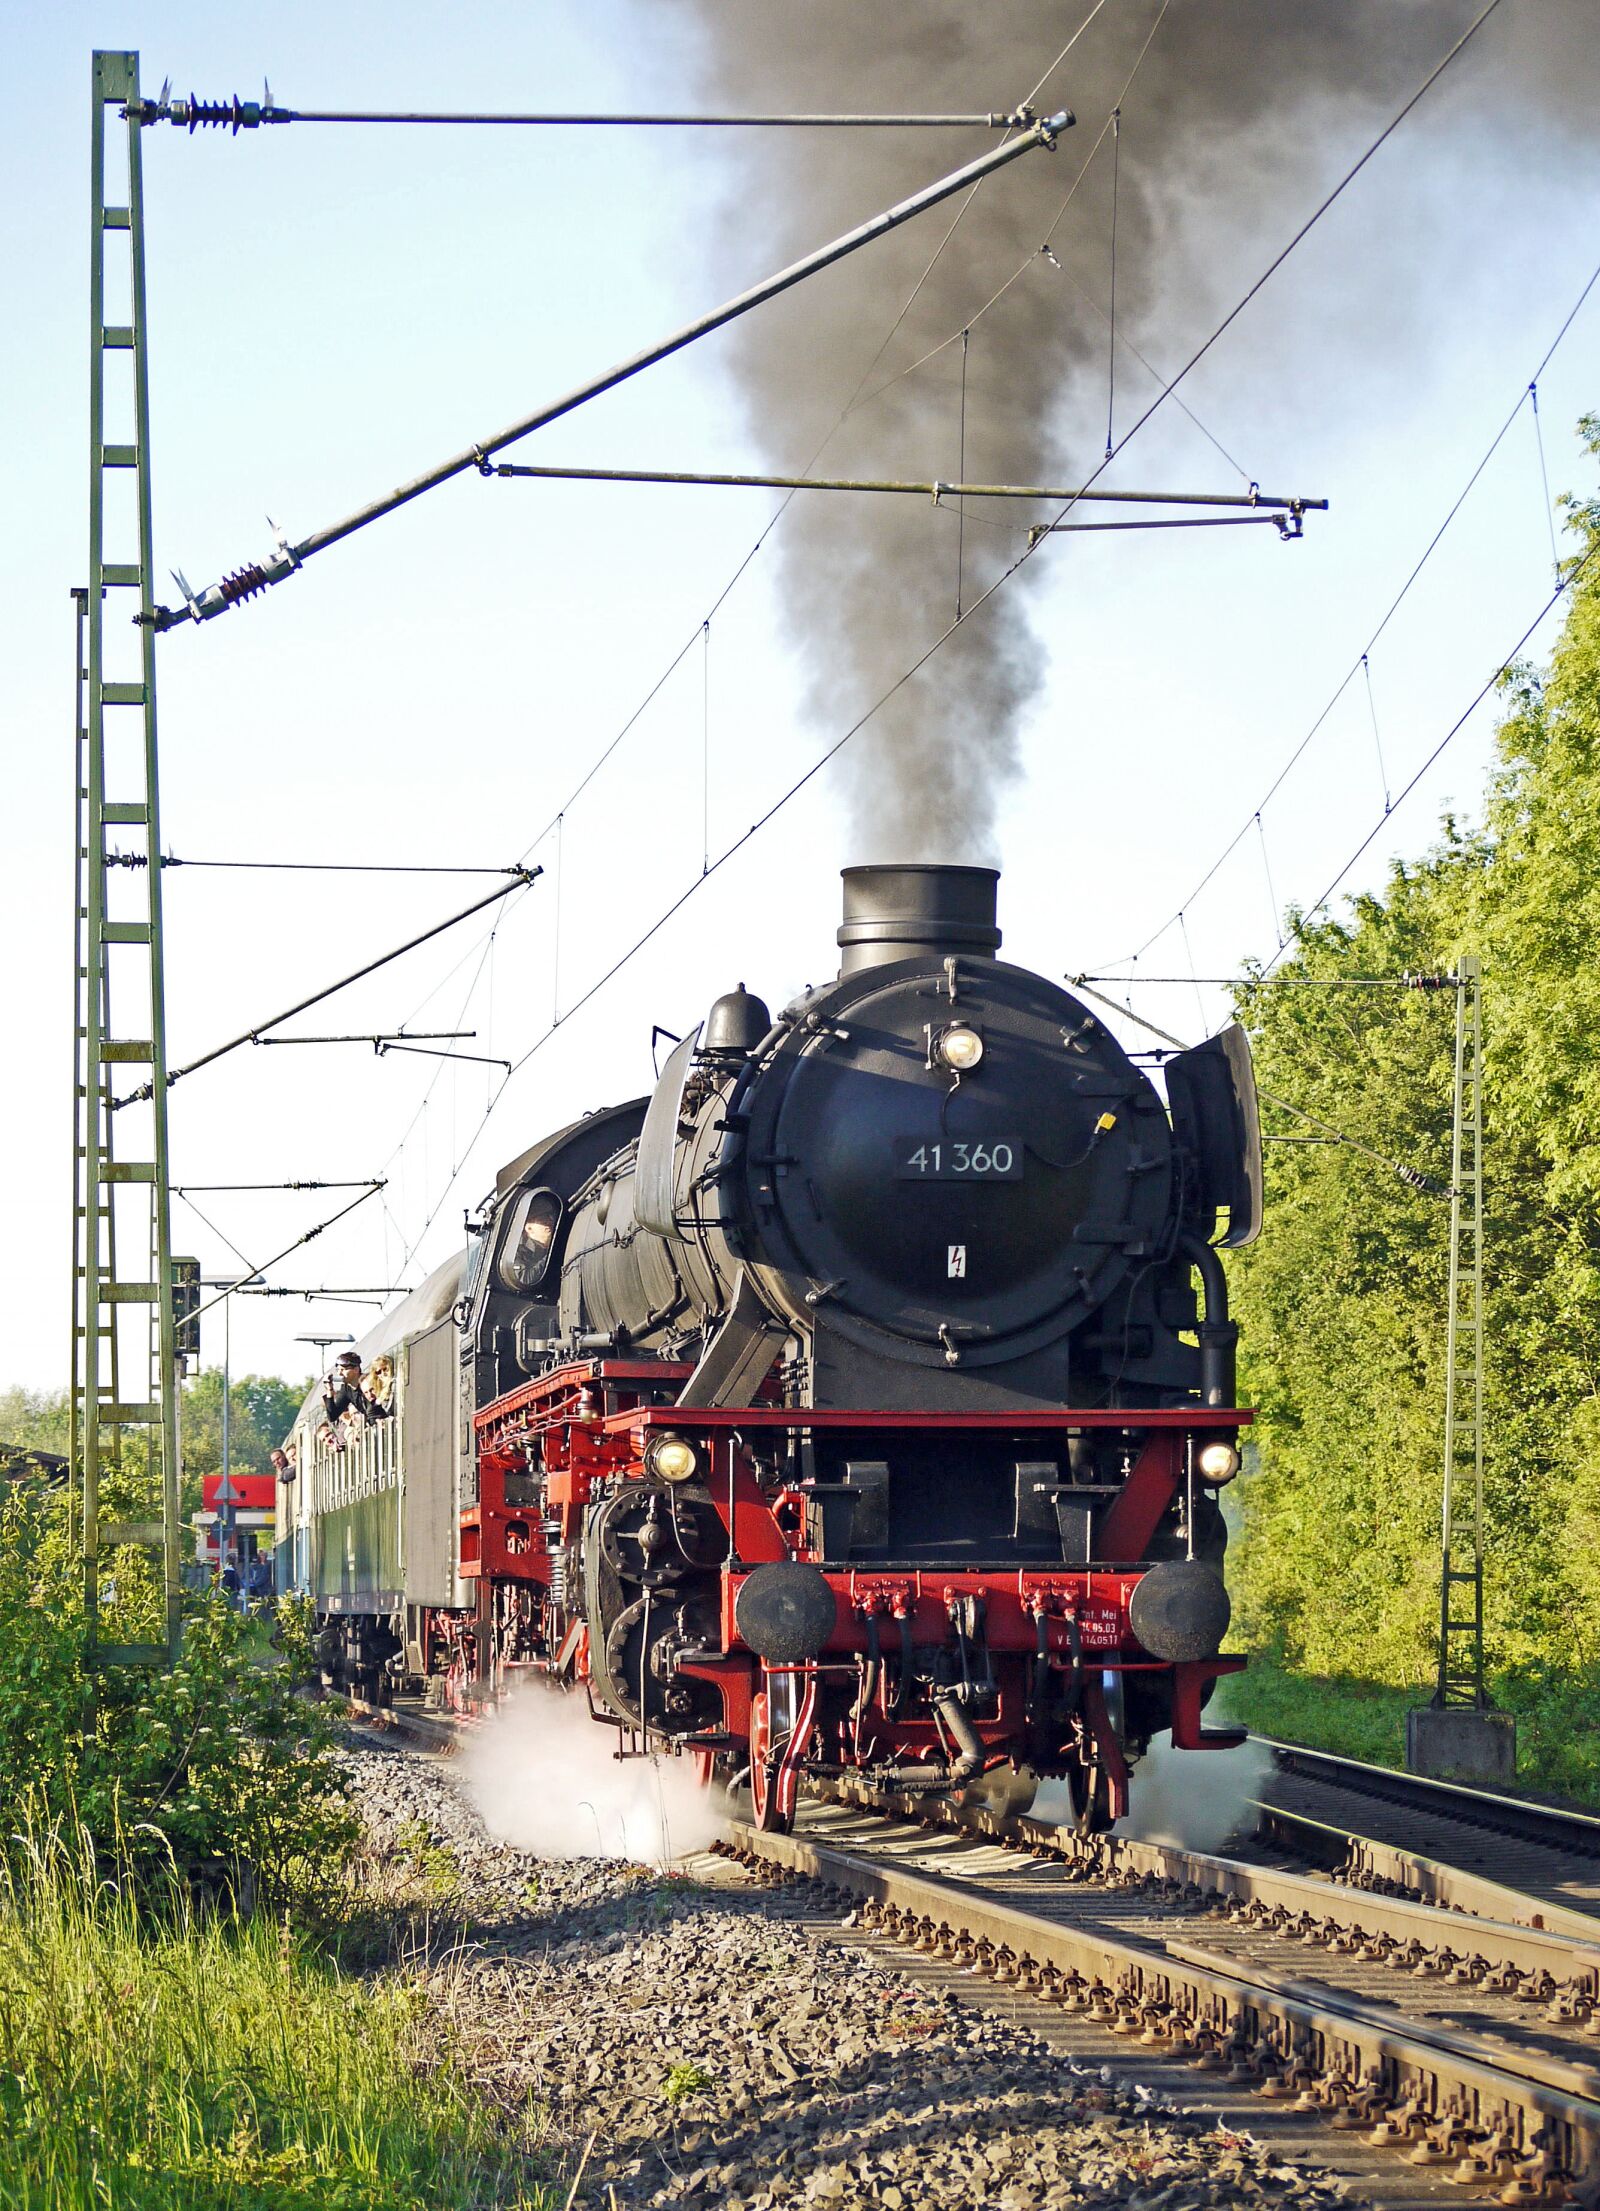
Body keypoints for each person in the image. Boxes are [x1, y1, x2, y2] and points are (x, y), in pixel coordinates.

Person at [322, 1351, 371, 1424]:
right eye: (338, 1370)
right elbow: (332, 1416)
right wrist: (330, 1390)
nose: (339, 1373)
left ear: (356, 1370)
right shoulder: (346, 1389)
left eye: (343, 1370)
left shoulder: (368, 1383)